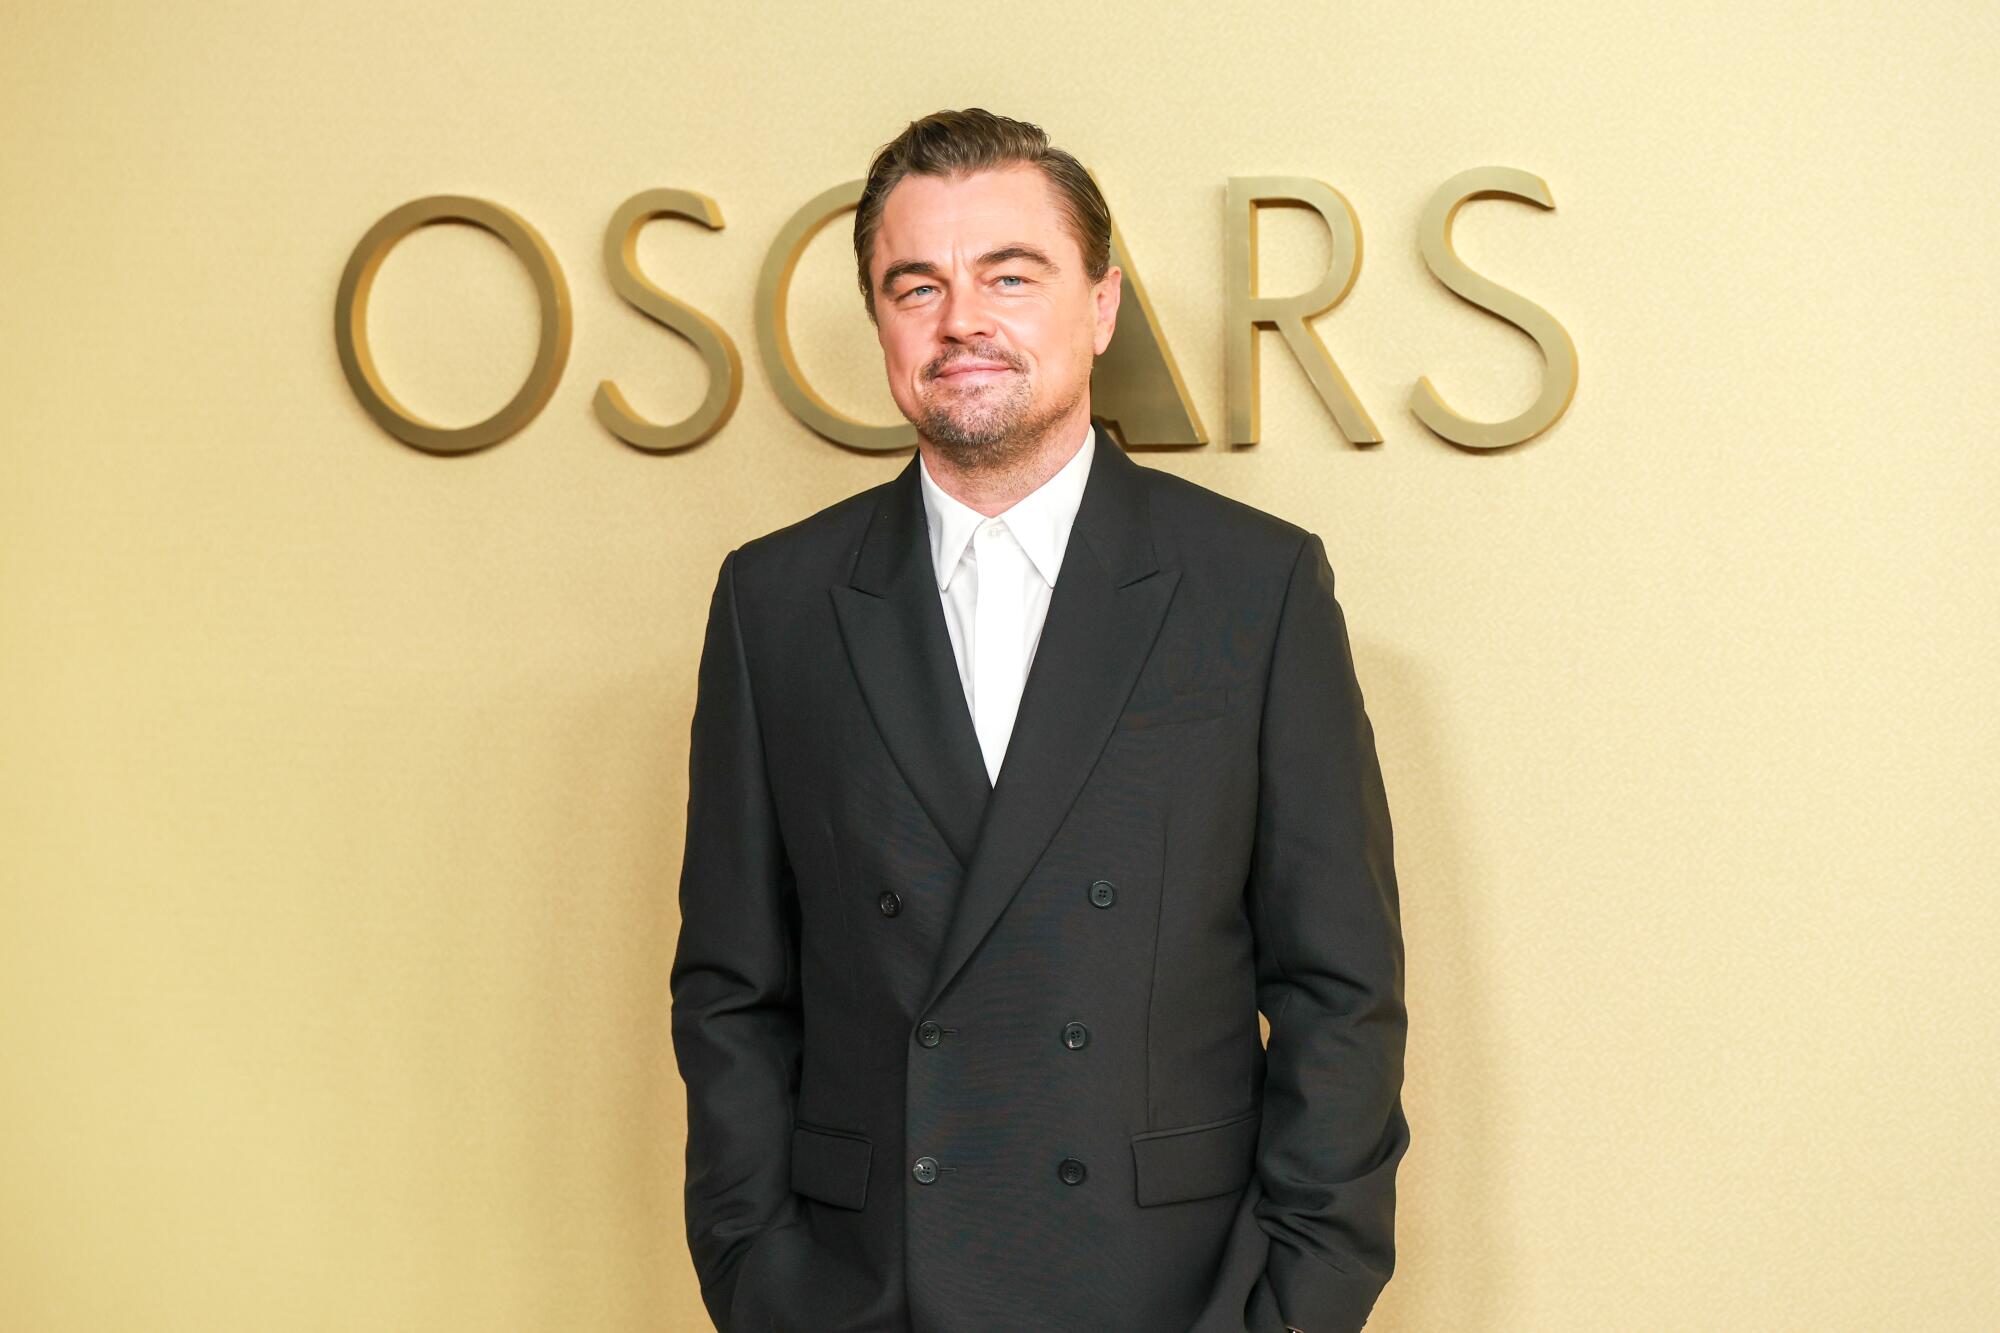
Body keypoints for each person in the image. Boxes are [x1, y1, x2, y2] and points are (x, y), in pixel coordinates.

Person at [670, 107, 1408, 1333]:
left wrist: (1293, 1304)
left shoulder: (1252, 586)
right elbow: (732, 991)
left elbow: (1341, 987)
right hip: (869, 1297)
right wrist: (760, 1273)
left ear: (1100, 305)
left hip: (1174, 1296)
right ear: (881, 325)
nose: (962, 319)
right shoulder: (776, 600)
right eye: (917, 286)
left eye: (1010, 275)